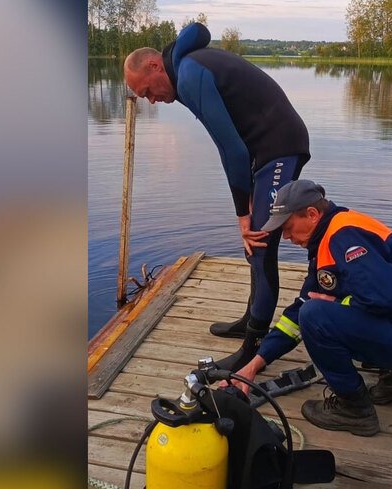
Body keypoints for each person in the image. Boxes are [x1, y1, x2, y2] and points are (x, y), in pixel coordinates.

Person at [123, 23, 311, 372]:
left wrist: (242, 212)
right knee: (254, 243)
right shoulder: (188, 67)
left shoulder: (192, 74)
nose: (151, 100)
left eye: (148, 90)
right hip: (265, 151)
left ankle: (253, 348)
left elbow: (232, 150)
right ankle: (251, 319)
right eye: (144, 97)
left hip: (280, 146)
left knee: (260, 242)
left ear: (155, 66)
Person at [228, 180, 392, 437]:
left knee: (317, 316)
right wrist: (252, 366)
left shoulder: (344, 237)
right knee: (311, 311)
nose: (286, 237)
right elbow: (299, 311)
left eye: (288, 228)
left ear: (311, 214)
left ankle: (354, 409)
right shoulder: (330, 236)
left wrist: (338, 304)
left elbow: (386, 300)